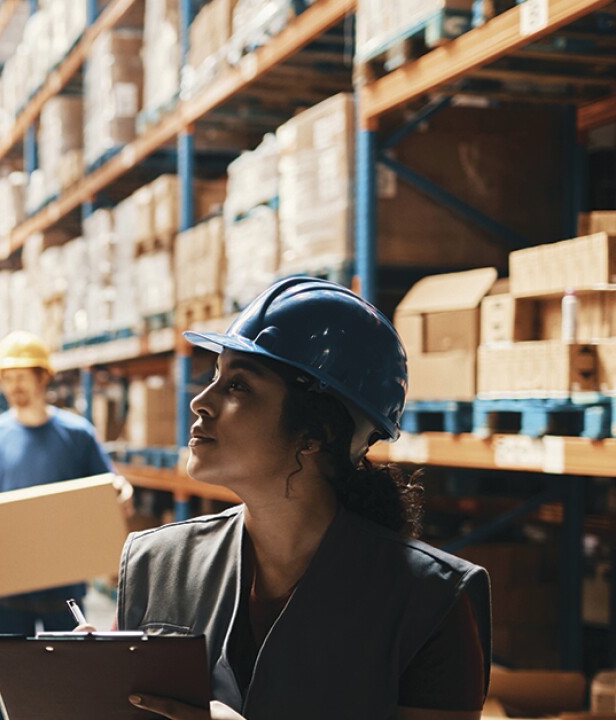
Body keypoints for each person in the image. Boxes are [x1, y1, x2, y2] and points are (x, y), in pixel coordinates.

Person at [110, 277, 491, 720]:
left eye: (238, 386)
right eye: (215, 376)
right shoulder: (155, 564)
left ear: (317, 433)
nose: (200, 402)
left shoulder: (432, 601)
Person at [0, 331, 125, 638]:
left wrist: (121, 489)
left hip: (64, 581)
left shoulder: (77, 433)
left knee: (64, 676)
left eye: (23, 376)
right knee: (12, 676)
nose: (14, 385)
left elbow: (106, 487)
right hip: (7, 579)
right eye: (8, 377)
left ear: (43, 377)